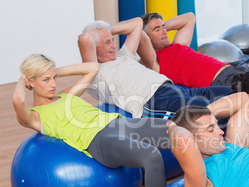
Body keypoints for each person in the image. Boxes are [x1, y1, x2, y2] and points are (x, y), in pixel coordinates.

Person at [13, 53, 172, 187]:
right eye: (46, 80)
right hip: (100, 140)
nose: (53, 84)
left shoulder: (66, 95)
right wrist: (22, 79)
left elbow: (93, 68)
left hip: (119, 122)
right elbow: (19, 99)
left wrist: (53, 71)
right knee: (152, 156)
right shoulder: (35, 117)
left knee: (175, 130)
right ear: (31, 82)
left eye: (54, 78)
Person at [78, 17, 232, 119]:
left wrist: (107, 31)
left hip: (174, 88)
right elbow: (84, 39)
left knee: (234, 92)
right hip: (155, 101)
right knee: (218, 108)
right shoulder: (94, 72)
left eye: (112, 40)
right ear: (94, 45)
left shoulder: (123, 55)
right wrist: (99, 33)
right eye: (107, 42)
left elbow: (137, 23)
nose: (113, 45)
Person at [140, 12, 249, 89]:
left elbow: (189, 18)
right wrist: (148, 30)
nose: (164, 31)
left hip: (236, 70)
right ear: (146, 37)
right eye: (157, 30)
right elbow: (139, 39)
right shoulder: (152, 61)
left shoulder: (176, 46)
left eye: (164, 28)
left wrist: (159, 26)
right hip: (223, 83)